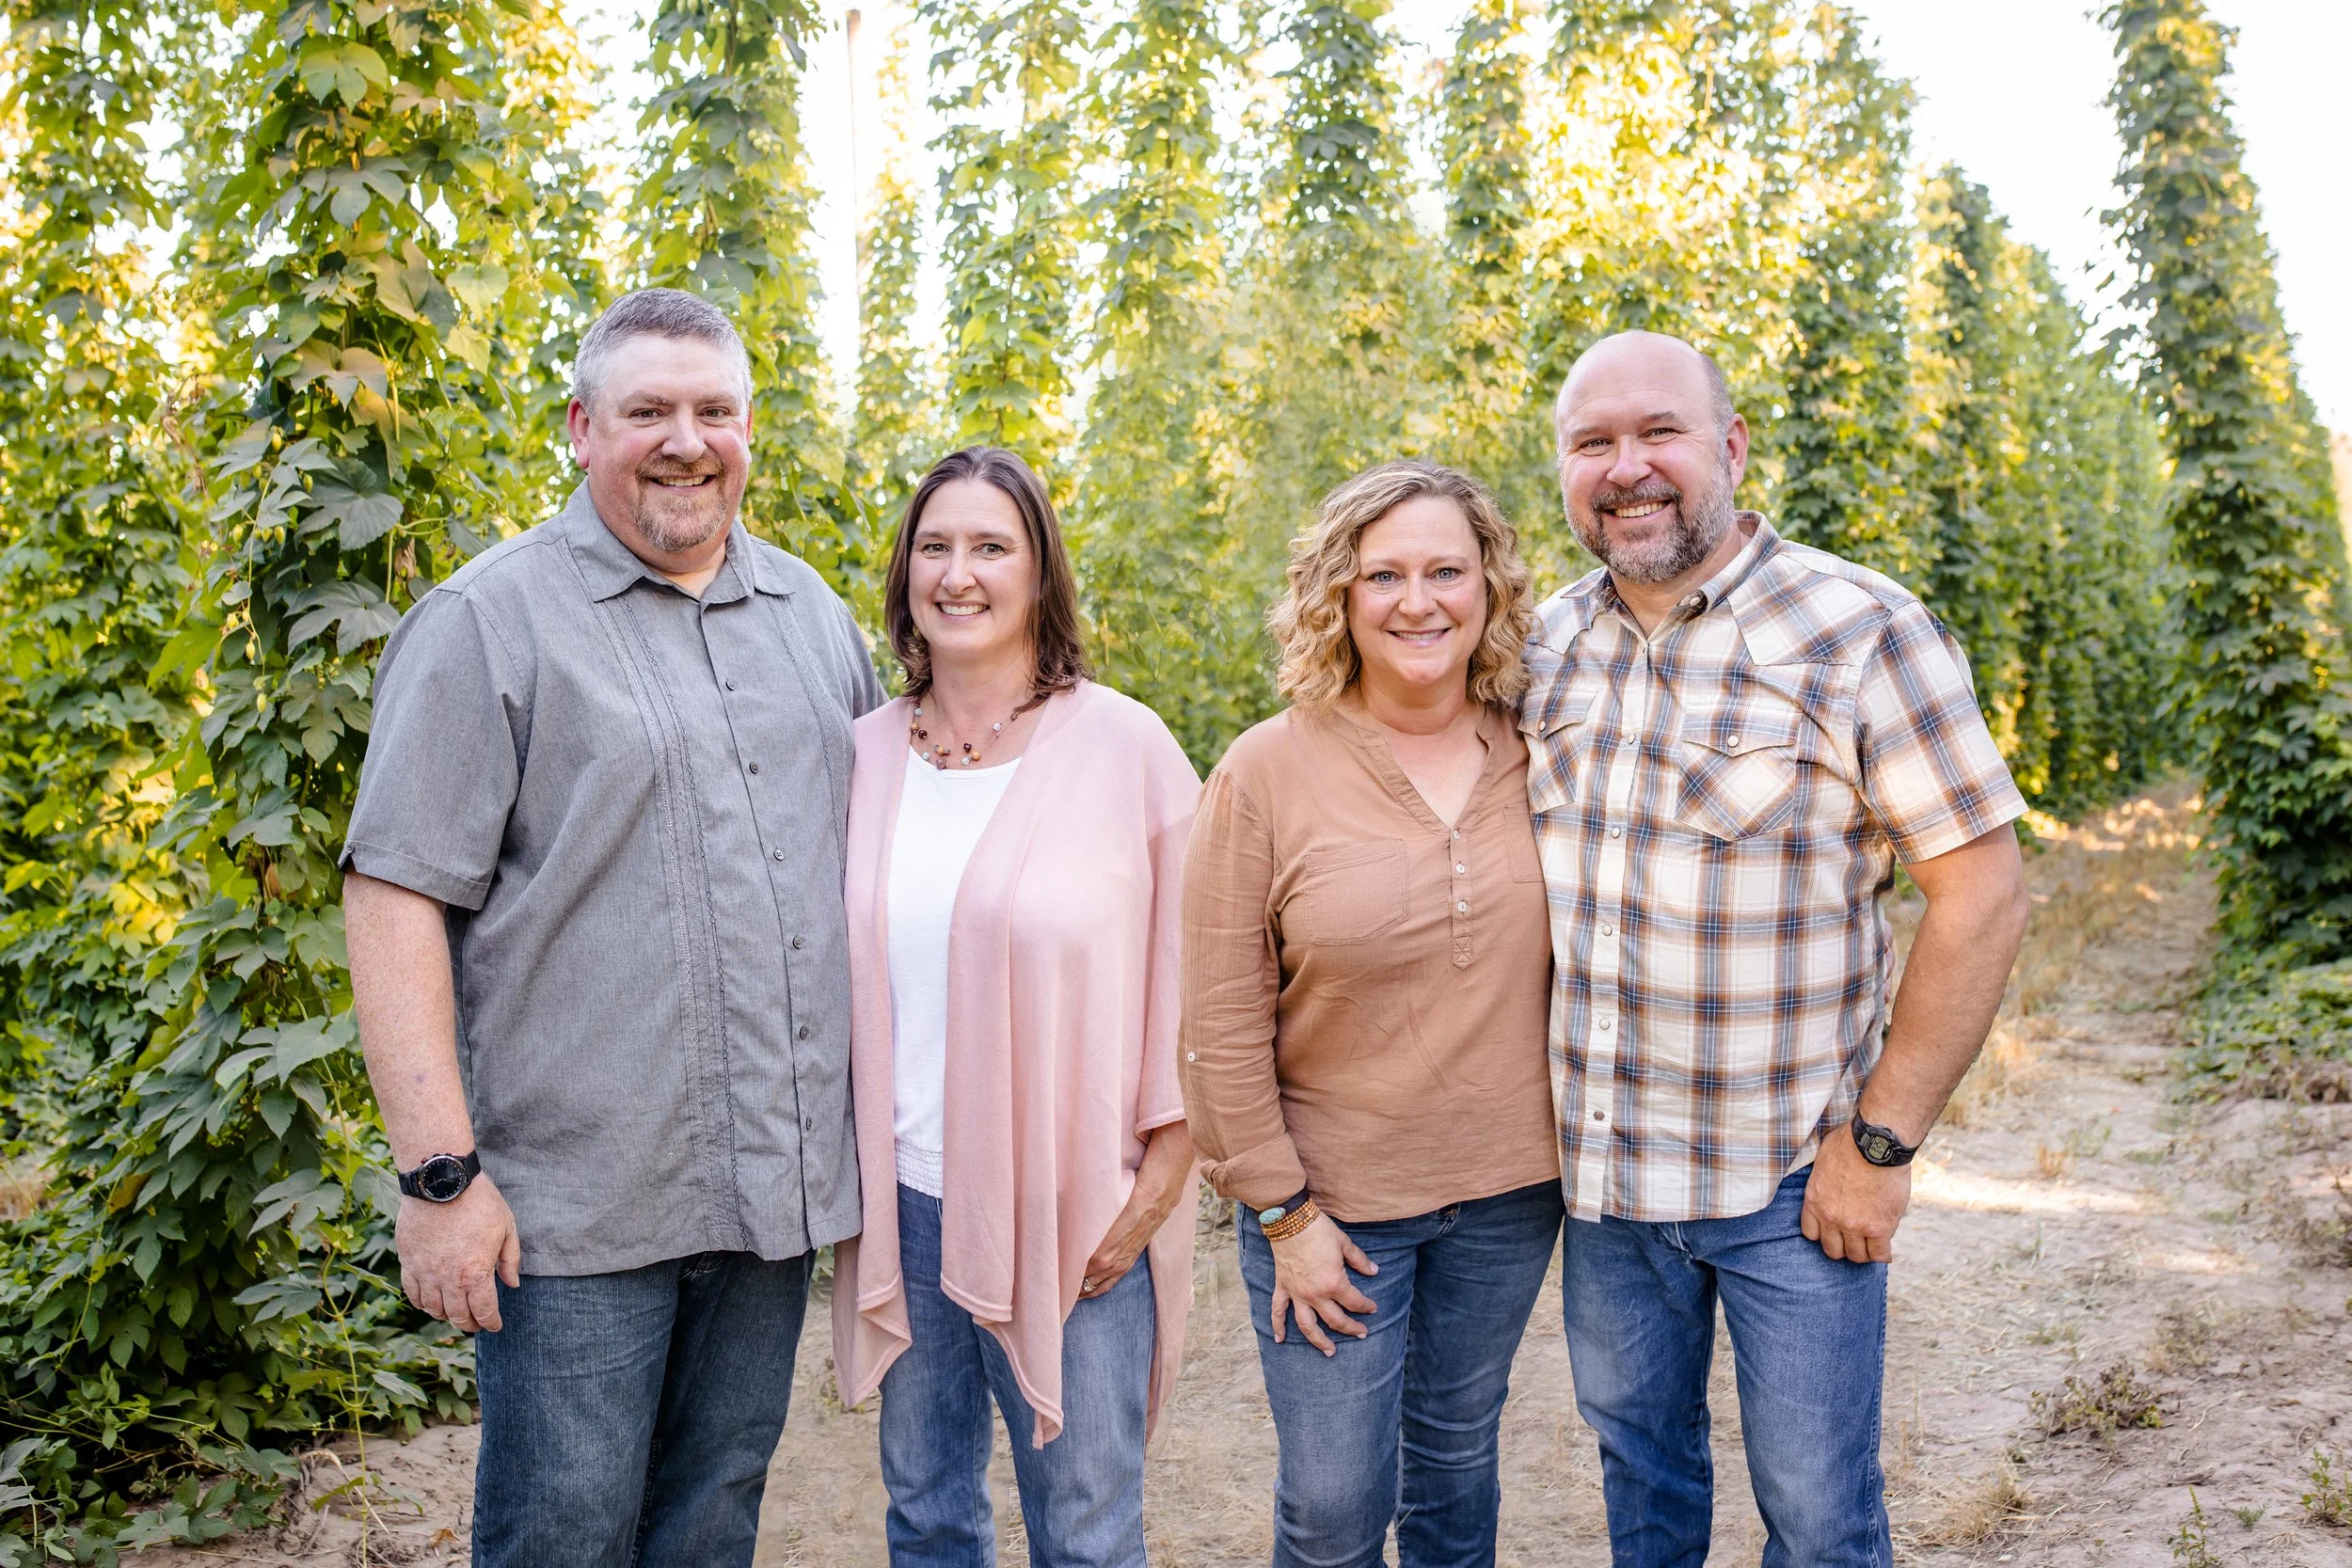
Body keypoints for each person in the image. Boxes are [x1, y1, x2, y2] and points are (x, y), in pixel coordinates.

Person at [342, 288, 882, 1568]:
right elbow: (394, 892)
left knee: (711, 1524)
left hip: (772, 1199)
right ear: (583, 428)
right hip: (574, 1217)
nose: (685, 439)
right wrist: (437, 1179)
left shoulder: (815, 621)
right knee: (564, 1536)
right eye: (648, 411)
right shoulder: (490, 622)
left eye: (713, 411)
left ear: (751, 430)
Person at [1529, 329, 2032, 1566]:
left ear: (1734, 448)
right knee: (1641, 1487)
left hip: (1791, 1189)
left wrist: (1881, 1143)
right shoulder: (1540, 646)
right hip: (1602, 1186)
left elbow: (1982, 891)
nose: (1627, 466)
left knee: (1816, 1516)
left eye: (1660, 433)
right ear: (1561, 467)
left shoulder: (1860, 627)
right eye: (1593, 442)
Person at [1181, 460, 1564, 1568]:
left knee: (1454, 1474)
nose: (1418, 599)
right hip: (1332, 1210)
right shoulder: (1265, 769)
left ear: (1488, 588)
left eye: (1447, 569)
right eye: (1382, 574)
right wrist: (1283, 1213)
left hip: (1507, 1195)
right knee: (1335, 1505)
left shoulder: (1540, 751)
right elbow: (1216, 1016)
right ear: (1337, 597)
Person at [830, 447, 1201, 1568]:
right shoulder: (863, 756)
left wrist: (1167, 1163)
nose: (959, 572)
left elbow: (1199, 969)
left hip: (1074, 1201)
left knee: (1085, 1527)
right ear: (903, 576)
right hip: (902, 1193)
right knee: (928, 1513)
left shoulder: (1123, 746)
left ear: (1040, 572)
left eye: (991, 546)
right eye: (934, 547)